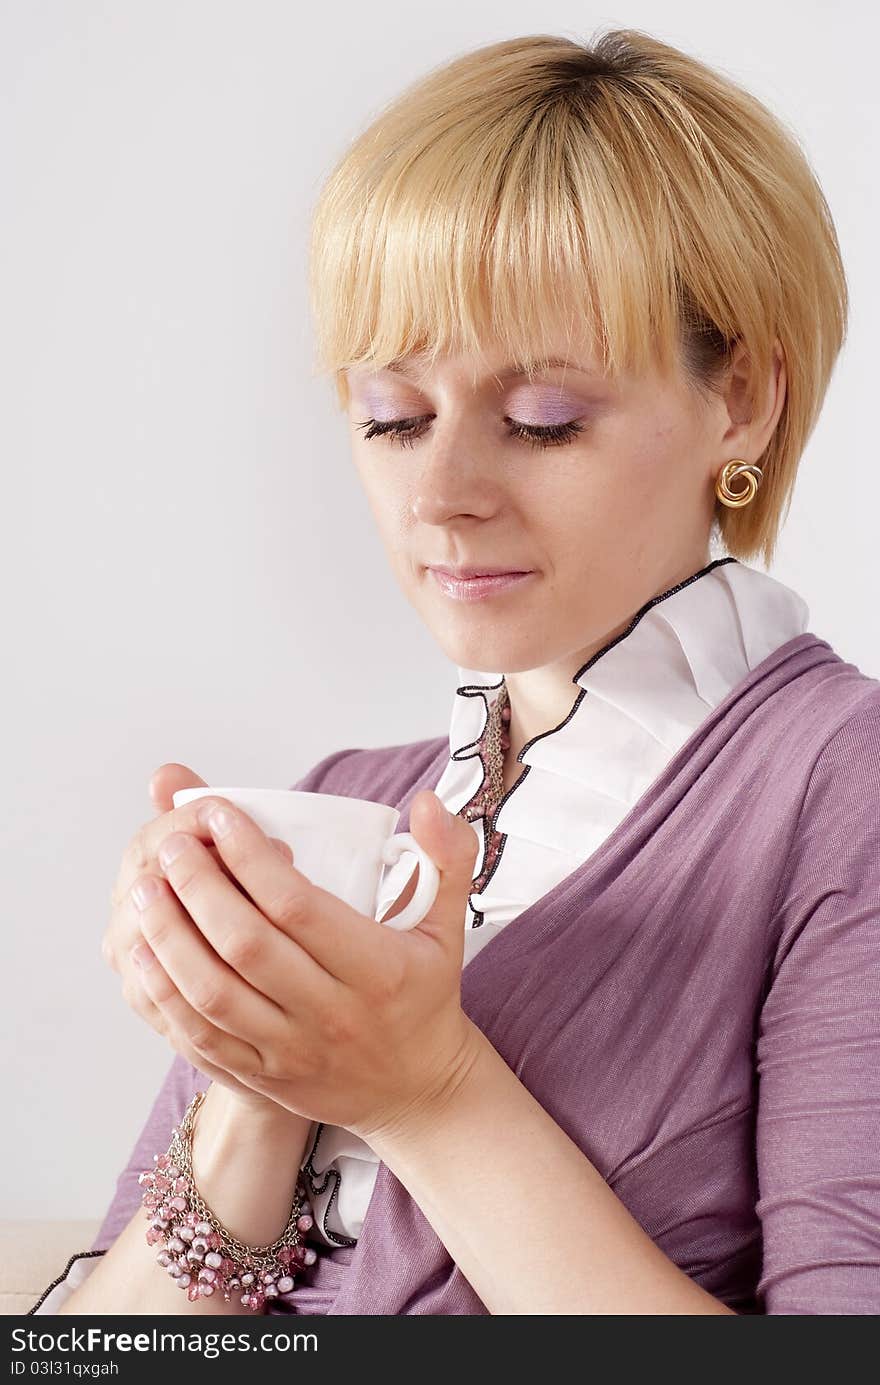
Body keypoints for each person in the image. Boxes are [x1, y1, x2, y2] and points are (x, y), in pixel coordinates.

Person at [30, 27, 879, 1316]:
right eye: (391, 415)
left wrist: (421, 1088)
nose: (440, 497)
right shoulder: (341, 804)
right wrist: (260, 1084)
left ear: (744, 399)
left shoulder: (840, 791)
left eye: (543, 420)